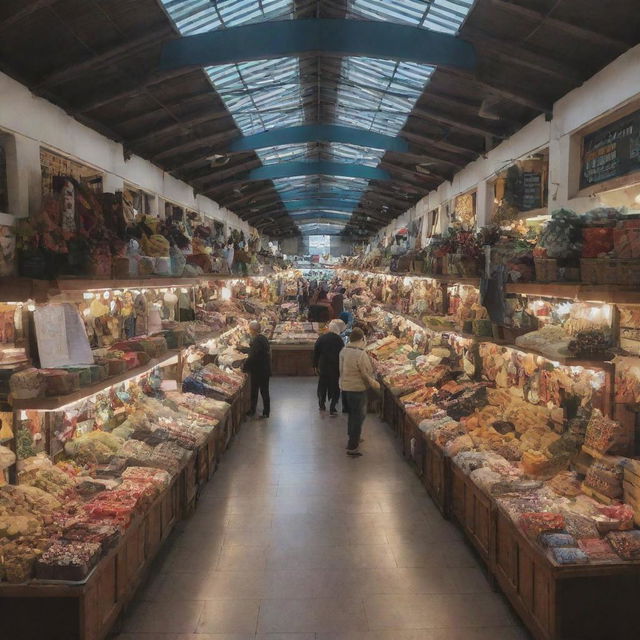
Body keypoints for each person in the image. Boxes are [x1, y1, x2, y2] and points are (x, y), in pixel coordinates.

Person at [339, 327, 380, 457]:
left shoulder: (344, 350)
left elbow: (340, 369)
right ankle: (353, 445)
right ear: (362, 339)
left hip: (345, 387)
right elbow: (366, 372)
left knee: (352, 414)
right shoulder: (361, 353)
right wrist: (375, 384)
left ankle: (353, 436)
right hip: (357, 388)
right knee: (358, 416)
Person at [313, 319, 345, 416]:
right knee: (335, 387)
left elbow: (316, 352)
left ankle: (322, 404)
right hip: (335, 366)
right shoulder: (339, 340)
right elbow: (342, 354)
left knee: (322, 385)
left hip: (323, 366)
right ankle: (332, 407)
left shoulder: (322, 338)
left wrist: (314, 365)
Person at [242, 320, 271, 419]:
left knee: (257, 391)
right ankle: (264, 411)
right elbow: (254, 351)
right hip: (264, 369)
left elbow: (253, 356)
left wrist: (244, 367)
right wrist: (242, 349)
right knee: (263, 391)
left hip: (259, 370)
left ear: (253, 330)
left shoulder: (257, 340)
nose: (249, 331)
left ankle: (256, 411)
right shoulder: (262, 338)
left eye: (250, 329)